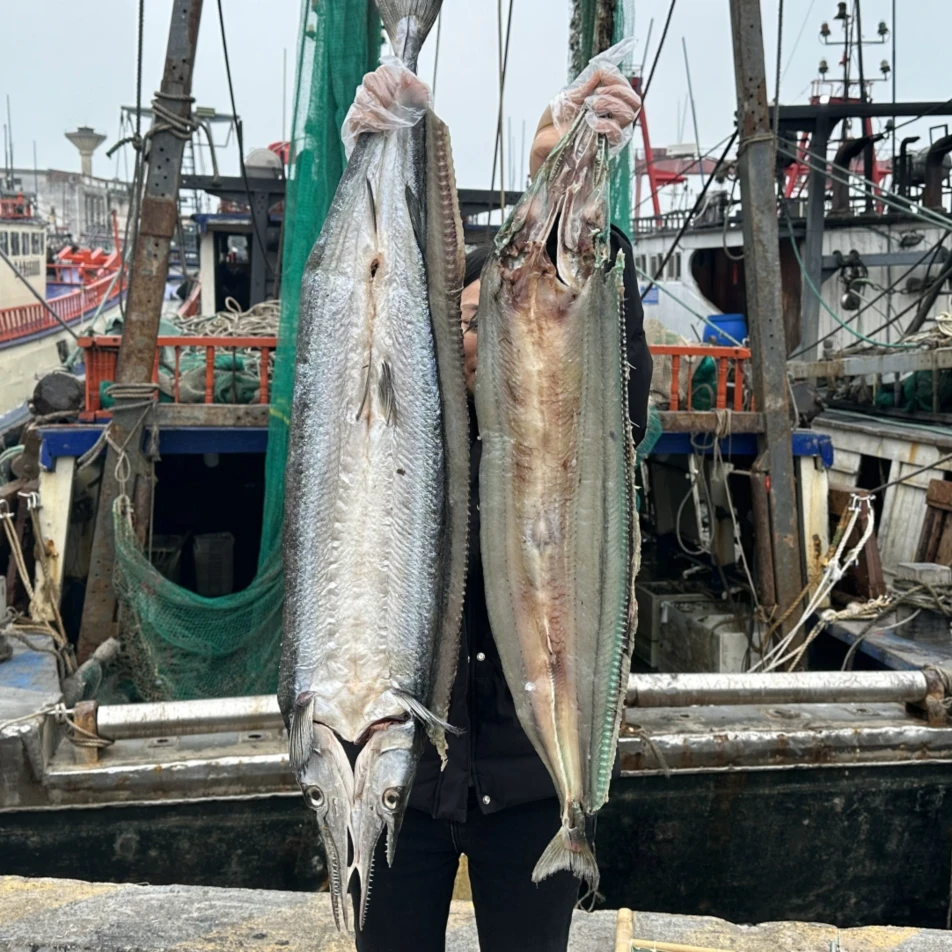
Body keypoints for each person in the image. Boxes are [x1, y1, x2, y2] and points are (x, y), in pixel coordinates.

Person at [345, 61, 651, 952]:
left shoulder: (561, 430)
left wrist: (567, 165)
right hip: (406, 774)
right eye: (466, 318)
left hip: (523, 784)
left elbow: (606, 372)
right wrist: (366, 148)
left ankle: (574, 824)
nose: (483, 331)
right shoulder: (414, 441)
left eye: (499, 313)